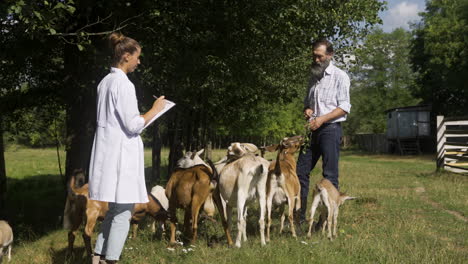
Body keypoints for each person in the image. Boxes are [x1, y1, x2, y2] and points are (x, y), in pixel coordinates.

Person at [88, 32, 166, 264]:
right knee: (123, 212)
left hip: (108, 153)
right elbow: (133, 125)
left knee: (114, 210)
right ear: (125, 56)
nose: (139, 62)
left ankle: (98, 257)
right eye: (137, 57)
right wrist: (156, 108)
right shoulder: (123, 84)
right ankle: (110, 260)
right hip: (121, 157)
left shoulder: (105, 82)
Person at [296, 38, 351, 223]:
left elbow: (344, 107)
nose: (316, 60)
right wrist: (308, 110)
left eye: (319, 56)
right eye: (314, 56)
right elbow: (307, 103)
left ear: (329, 55)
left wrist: (321, 119)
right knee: (300, 172)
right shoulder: (313, 77)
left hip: (330, 129)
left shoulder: (340, 76)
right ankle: (300, 217)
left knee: (329, 175)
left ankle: (326, 220)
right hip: (313, 130)